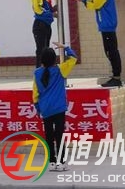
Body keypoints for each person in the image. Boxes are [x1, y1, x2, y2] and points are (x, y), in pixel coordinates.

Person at [75, 0, 123, 87]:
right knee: (111, 51)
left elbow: (96, 5)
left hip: (107, 24)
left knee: (111, 51)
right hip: (108, 23)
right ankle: (115, 76)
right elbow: (96, 2)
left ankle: (116, 77)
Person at [33, 43, 77, 172]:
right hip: (59, 108)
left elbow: (35, 93)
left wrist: (38, 108)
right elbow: (73, 58)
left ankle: (51, 162)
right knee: (59, 135)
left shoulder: (37, 73)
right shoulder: (60, 69)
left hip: (45, 109)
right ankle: (61, 162)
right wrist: (65, 47)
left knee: (49, 136)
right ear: (54, 59)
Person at [31, 0, 57, 67]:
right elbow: (37, 8)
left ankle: (46, 71)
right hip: (40, 24)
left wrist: (53, 9)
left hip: (47, 24)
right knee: (41, 51)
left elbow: (46, 7)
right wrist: (51, 14)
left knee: (46, 51)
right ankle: (39, 72)